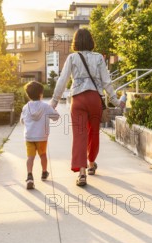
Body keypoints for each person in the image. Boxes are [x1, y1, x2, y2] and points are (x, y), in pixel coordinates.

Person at [51, 28, 125, 187]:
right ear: (91, 41)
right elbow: (106, 82)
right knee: (93, 133)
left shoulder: (72, 57)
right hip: (94, 99)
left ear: (75, 42)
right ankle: (91, 163)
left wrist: (54, 102)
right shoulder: (98, 58)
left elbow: (62, 80)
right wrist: (116, 101)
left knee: (79, 135)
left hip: (78, 99)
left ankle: (82, 173)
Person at [21, 81, 60, 190]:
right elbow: (56, 117)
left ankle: (29, 176)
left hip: (29, 137)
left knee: (30, 157)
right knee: (42, 155)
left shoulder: (25, 107)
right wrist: (54, 111)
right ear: (40, 94)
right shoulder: (45, 106)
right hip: (42, 137)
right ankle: (44, 172)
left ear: (28, 95)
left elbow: (22, 120)